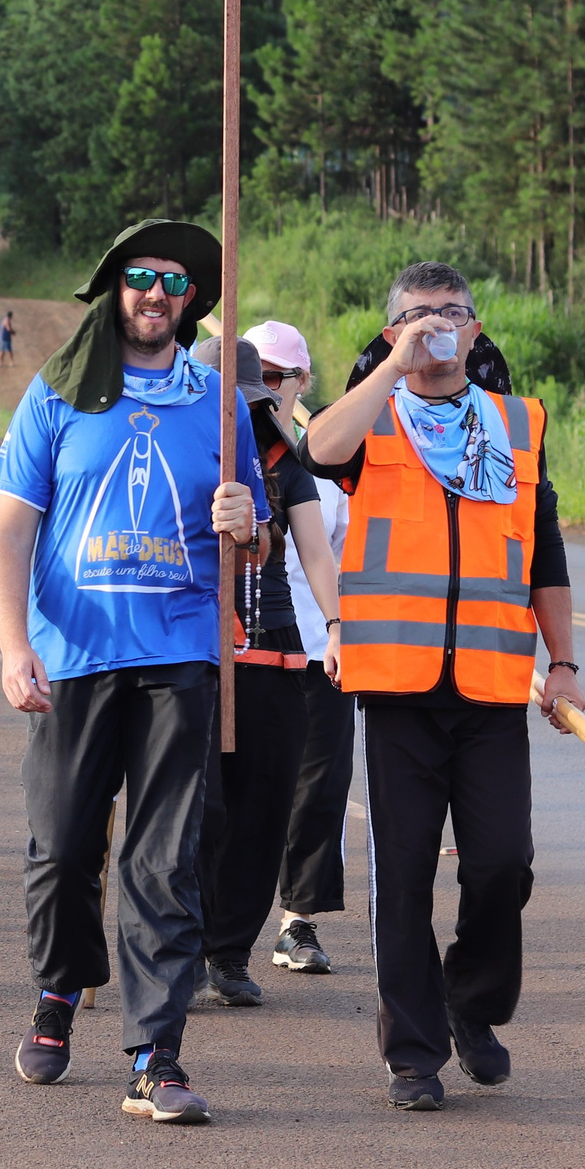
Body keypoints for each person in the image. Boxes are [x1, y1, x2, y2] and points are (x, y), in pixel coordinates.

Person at [0, 218, 264, 1125]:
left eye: (174, 282)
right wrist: (15, 642)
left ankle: (155, 1050)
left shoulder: (217, 402)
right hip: (74, 654)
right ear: (115, 289)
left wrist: (242, 524)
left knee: (163, 858)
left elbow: (254, 542)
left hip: (179, 653)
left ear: (192, 303)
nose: (155, 292)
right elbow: (9, 528)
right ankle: (59, 992)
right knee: (62, 846)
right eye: (141, 275)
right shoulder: (60, 393)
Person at [295, 260, 585, 1111]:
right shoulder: (374, 417)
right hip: (399, 686)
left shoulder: (516, 423)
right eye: (418, 315)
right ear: (393, 331)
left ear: (477, 327)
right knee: (407, 876)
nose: (437, 325)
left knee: (503, 865)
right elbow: (317, 450)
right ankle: (413, 1053)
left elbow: (546, 553)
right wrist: (393, 366)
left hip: (494, 683)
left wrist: (561, 663)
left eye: (452, 312)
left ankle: (473, 1000)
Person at [189, 336, 343, 1010]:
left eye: (244, 404)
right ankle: (185, 946)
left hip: (272, 647)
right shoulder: (172, 448)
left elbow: (315, 550)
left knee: (262, 804)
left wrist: (337, 628)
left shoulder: (285, 460)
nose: (234, 416)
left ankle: (229, 951)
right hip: (191, 644)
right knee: (197, 808)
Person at [245, 318, 355, 977]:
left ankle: (298, 920)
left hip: (317, 644)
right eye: (258, 378)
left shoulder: (329, 451)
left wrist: (347, 628)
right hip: (239, 642)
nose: (271, 389)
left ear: (303, 381)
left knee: (321, 784)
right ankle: (220, 931)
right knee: (243, 788)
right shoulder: (219, 444)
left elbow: (343, 556)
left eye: (281, 377)